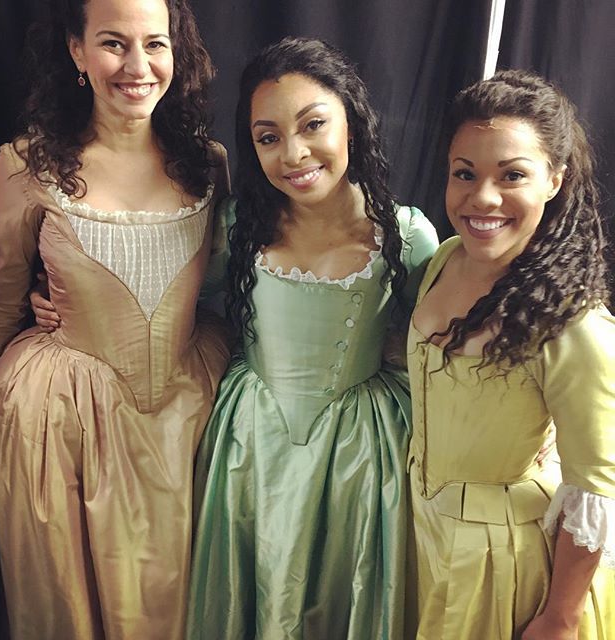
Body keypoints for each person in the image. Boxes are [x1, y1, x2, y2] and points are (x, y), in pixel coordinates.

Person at [0, 0, 231, 637]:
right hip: (59, 423)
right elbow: (1, 301)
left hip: (185, 416)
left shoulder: (210, 163)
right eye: (114, 43)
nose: (138, 66)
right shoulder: (26, 166)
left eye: (156, 44)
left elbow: (225, 289)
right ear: (75, 50)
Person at [183, 37, 438, 640]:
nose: (293, 154)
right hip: (251, 446)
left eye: (312, 124)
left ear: (351, 119)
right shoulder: (236, 227)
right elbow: (184, 306)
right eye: (268, 137)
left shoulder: (404, 236)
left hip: (360, 457)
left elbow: (443, 339)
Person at [407, 69, 615, 639]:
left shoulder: (574, 326)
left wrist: (560, 618)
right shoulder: (445, 258)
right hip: (420, 531)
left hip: (501, 564)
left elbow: (595, 491)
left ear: (555, 179)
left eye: (513, 175)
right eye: (465, 174)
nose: (483, 198)